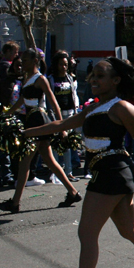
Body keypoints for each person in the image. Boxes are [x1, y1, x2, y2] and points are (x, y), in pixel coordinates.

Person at [24, 58, 134, 268]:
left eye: (100, 76)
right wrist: (26, 132)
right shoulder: (94, 107)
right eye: (92, 75)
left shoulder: (123, 108)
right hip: (109, 173)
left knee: (87, 233)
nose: (93, 80)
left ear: (116, 81)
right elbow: (61, 124)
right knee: (129, 230)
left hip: (112, 172)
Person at [0, 49, 82, 213]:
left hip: (38, 121)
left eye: (26, 60)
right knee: (49, 161)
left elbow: (53, 101)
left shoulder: (41, 79)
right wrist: (6, 114)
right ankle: (73, 192)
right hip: (31, 120)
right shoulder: (27, 78)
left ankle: (14, 203)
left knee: (25, 163)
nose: (22, 63)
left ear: (35, 61)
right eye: (21, 60)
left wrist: (61, 126)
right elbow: (21, 100)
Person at [48, 51, 82, 182]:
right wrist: (53, 116)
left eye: (66, 64)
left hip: (69, 115)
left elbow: (73, 96)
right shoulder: (51, 79)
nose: (63, 67)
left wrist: (75, 112)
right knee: (56, 145)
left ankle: (69, 172)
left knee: (68, 144)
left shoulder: (70, 78)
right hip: (57, 116)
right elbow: (49, 100)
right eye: (61, 64)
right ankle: (56, 172)